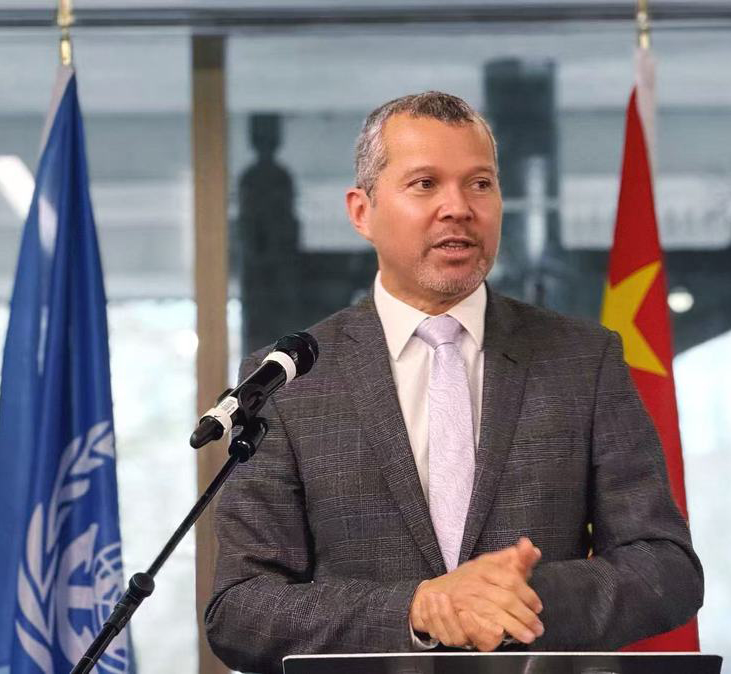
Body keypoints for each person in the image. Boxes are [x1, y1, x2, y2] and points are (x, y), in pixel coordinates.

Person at [205, 92, 703, 674]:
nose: (458, 208)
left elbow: (666, 567)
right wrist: (419, 607)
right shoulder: (291, 380)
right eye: (425, 184)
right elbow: (240, 610)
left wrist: (524, 598)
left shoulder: (582, 359)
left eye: (480, 184)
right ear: (361, 211)